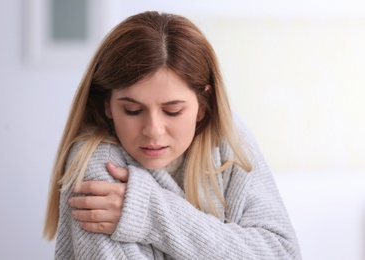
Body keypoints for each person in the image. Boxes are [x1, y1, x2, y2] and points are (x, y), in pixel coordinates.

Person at [43, 11, 301, 259]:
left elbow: (283, 253)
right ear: (107, 105)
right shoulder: (97, 166)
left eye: (173, 111)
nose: (153, 130)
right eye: (132, 110)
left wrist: (151, 212)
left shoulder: (227, 136)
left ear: (203, 105)